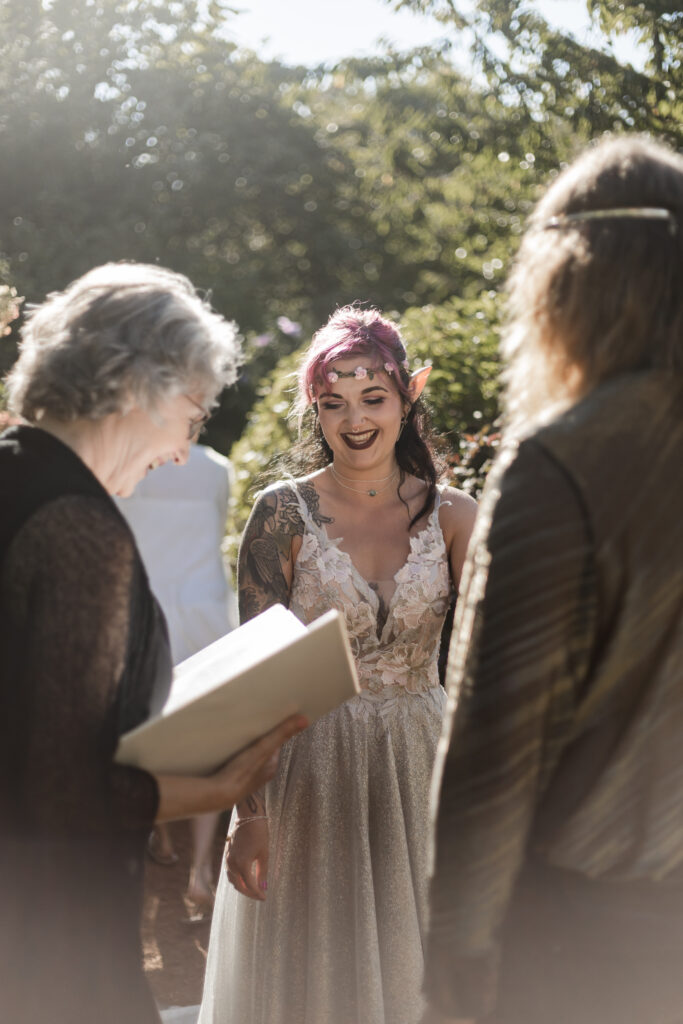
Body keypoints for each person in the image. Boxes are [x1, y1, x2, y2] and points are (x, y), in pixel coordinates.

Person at [0, 262, 306, 1024]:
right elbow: (60, 794)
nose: (182, 451)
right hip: (49, 941)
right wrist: (218, 789)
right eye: (194, 413)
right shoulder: (79, 528)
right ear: (143, 387)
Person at [421, 136, 683, 1024]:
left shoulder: (562, 461)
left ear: (566, 277)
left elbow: (495, 750)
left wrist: (454, 958)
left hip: (591, 929)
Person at [198, 306, 477, 1024]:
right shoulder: (281, 515)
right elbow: (253, 674)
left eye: (372, 398)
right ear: (313, 410)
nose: (353, 419)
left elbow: (485, 663)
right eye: (332, 403)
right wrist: (247, 815)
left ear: (408, 394)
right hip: (306, 768)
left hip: (421, 765)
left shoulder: (456, 517)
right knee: (312, 972)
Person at [118, 442, 239, 918]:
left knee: (147, 726)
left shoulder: (132, 462)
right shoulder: (219, 469)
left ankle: (162, 834)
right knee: (207, 733)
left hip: (148, 605)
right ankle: (201, 870)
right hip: (204, 605)